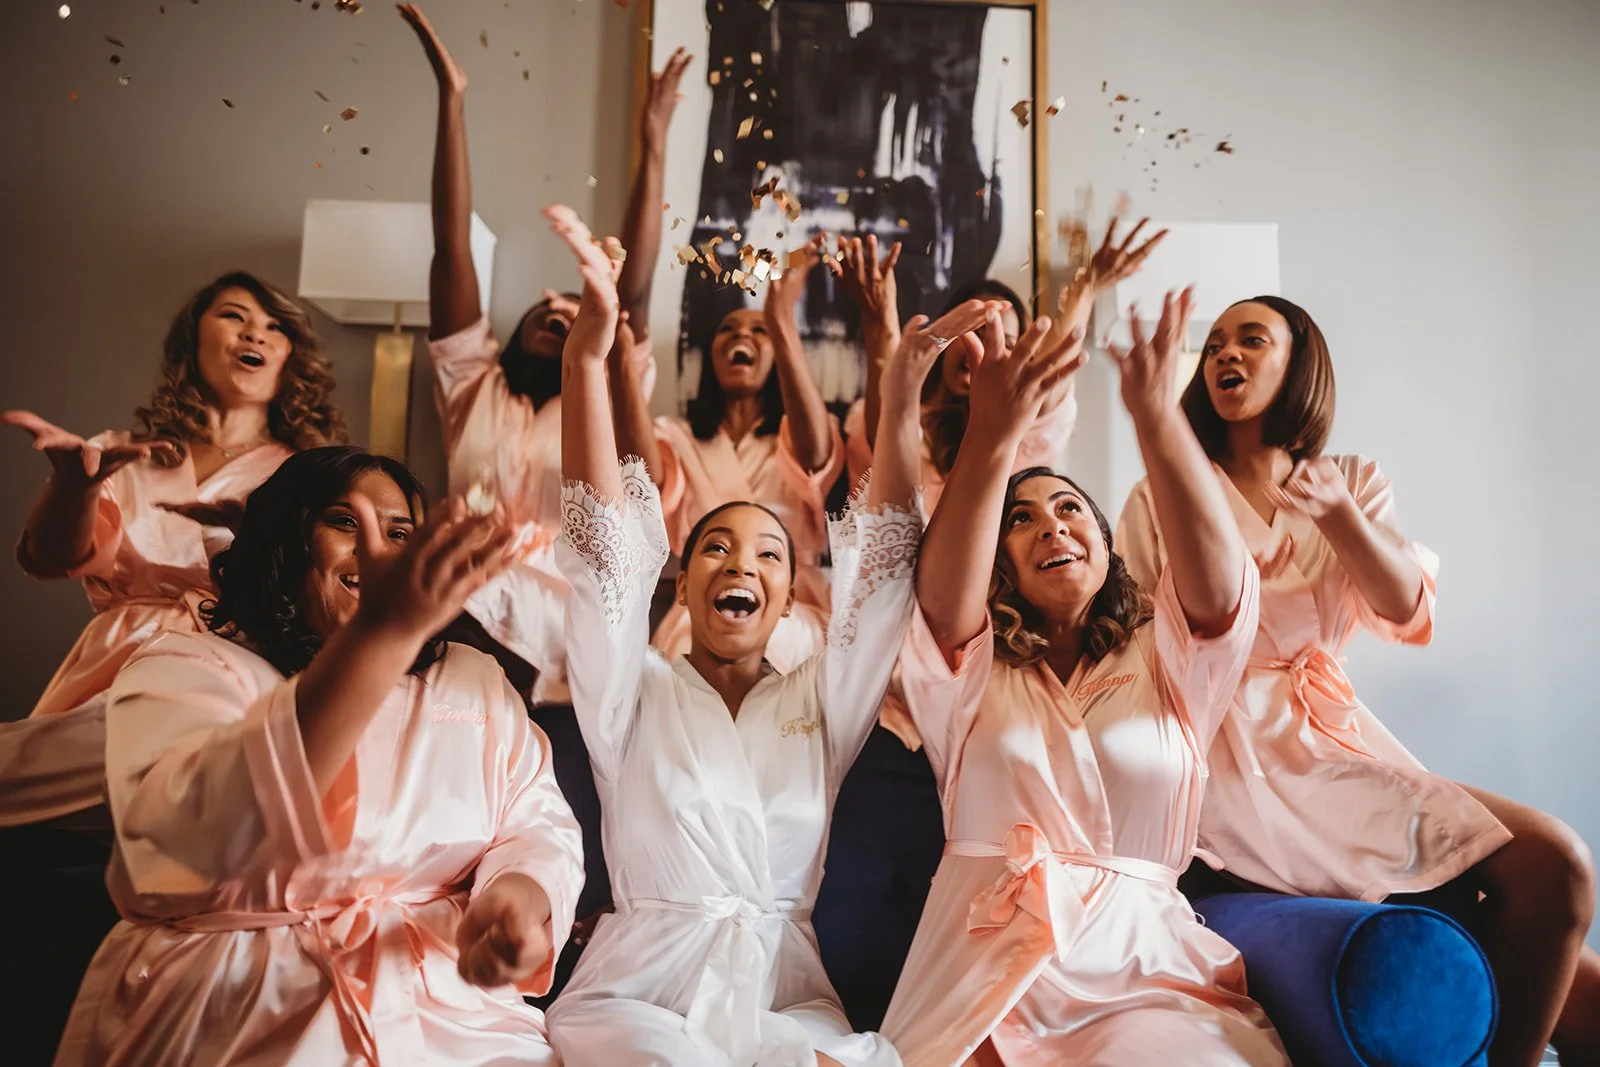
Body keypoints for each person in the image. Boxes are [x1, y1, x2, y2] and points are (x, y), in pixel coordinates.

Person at [1117, 294, 1600, 1067]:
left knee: (1560, 870)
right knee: (1529, 879)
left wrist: (1341, 514)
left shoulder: (1350, 478)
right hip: (1228, 752)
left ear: (1300, 360)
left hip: (1330, 739)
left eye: (1250, 339)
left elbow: (1405, 609)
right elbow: (1131, 643)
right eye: (1211, 346)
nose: (1224, 356)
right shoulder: (1161, 491)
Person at [540, 203, 958, 1067]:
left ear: (784, 593)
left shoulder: (821, 703)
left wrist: (899, 391)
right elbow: (601, 553)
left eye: (771, 552)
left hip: (783, 993)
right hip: (637, 994)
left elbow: (881, 575)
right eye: (716, 546)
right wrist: (588, 360)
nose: (744, 563)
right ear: (685, 582)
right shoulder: (628, 689)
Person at [53, 445, 584, 1066]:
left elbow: (536, 821)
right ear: (287, 541)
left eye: (399, 531)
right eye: (344, 521)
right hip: (247, 1003)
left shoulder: (471, 681)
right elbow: (188, 843)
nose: (376, 549)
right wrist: (377, 641)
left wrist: (517, 897)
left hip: (451, 1006)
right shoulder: (188, 668)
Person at [881, 293, 1288, 1066]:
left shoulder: (1171, 657)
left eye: (1069, 508)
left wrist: (1155, 415)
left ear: (1106, 547)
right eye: (1021, 519)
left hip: (1144, 977)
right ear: (997, 563)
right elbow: (940, 599)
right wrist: (994, 437)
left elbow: (1223, 583)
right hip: (985, 982)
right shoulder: (965, 673)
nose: (1052, 525)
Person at [400, 1, 690, 703]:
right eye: (544, 311)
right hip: (469, 610)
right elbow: (451, 249)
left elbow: (635, 285)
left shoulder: (605, 390)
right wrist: (452, 100)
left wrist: (653, 142)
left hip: (578, 614)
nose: (555, 321)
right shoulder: (474, 390)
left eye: (572, 316)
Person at [1, 270, 343, 829]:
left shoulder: (307, 477)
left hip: (233, 660)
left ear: (290, 357)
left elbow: (325, 598)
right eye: (234, 315)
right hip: (114, 662)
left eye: (274, 327)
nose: (254, 333)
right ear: (194, 339)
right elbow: (52, 557)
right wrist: (75, 487)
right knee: (81, 754)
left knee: (178, 743)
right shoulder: (119, 454)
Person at [831, 219, 1164, 750]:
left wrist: (1085, 288)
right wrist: (881, 322)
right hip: (900, 670)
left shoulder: (1029, 439)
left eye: (1005, 340)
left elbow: (1054, 369)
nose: (988, 348)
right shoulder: (908, 436)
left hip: (998, 666)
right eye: (974, 333)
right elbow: (889, 429)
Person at [612, 235, 879, 673]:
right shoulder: (676, 436)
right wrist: (621, 362)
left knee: (788, 655)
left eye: (759, 332)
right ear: (713, 354)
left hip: (790, 603)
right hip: (703, 604)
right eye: (728, 330)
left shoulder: (797, 432)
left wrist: (781, 320)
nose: (742, 336)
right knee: (685, 667)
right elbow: (643, 483)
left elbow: (817, 459)